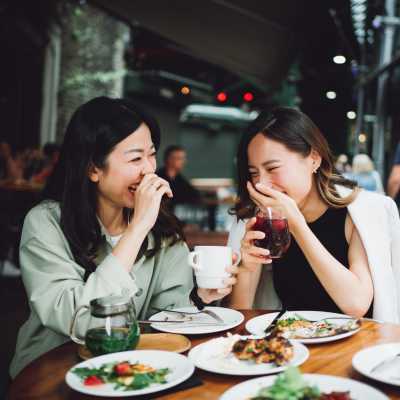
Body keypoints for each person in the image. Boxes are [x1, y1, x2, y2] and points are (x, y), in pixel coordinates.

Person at [10, 97, 237, 378]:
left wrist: (199, 297)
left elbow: (164, 321)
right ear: (93, 168)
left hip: (130, 371)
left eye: (151, 154)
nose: (149, 170)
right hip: (51, 371)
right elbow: (78, 321)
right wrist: (137, 229)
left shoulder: (162, 229)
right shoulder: (46, 222)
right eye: (135, 158)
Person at [227, 107, 400, 323]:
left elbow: (357, 304)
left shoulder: (360, 213)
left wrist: (298, 226)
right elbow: (236, 319)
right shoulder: (260, 220)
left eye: (272, 168)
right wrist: (247, 268)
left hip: (356, 349)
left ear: (314, 159)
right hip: (290, 349)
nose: (261, 184)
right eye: (254, 173)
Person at [156, 145, 200, 209]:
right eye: (180, 158)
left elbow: (195, 196)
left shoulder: (180, 179)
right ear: (169, 159)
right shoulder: (158, 178)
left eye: (183, 158)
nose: (183, 162)